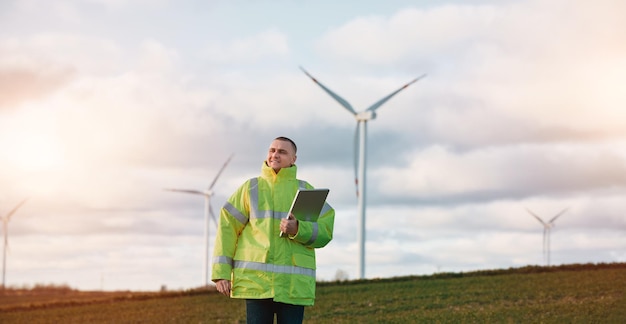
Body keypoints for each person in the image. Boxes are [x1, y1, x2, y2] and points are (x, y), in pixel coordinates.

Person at [212, 136, 335, 324]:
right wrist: (221, 273)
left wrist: (298, 229)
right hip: (256, 283)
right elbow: (226, 228)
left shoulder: (306, 191)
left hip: (293, 286)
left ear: (294, 159)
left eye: (282, 151)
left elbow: (325, 230)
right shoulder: (250, 188)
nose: (275, 154)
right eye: (272, 150)